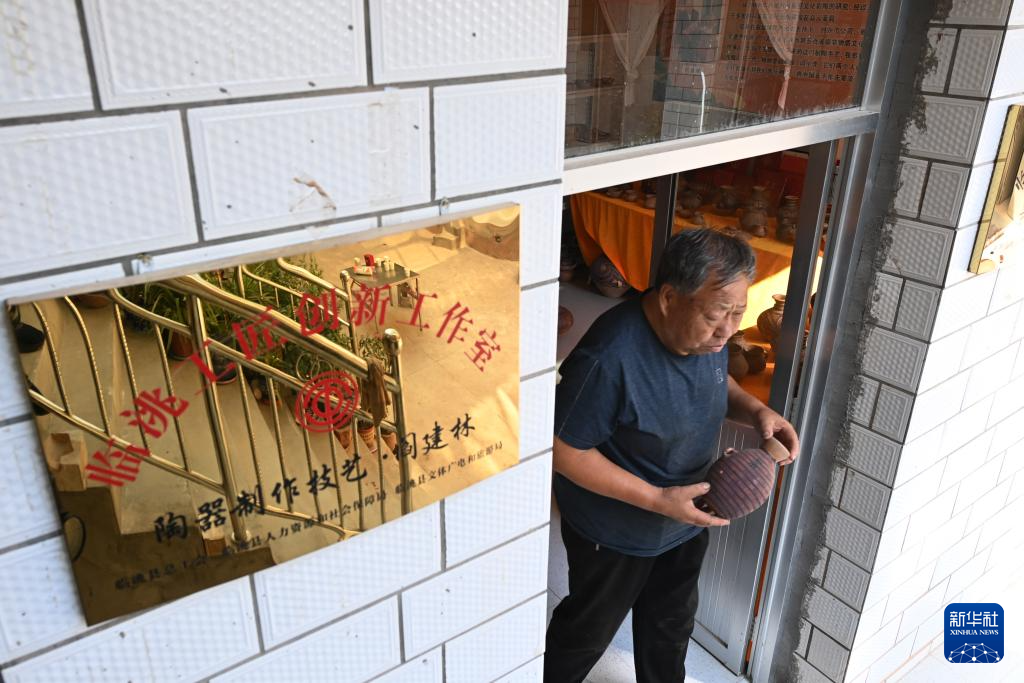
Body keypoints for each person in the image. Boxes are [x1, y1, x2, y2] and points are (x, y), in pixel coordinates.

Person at [545, 228, 800, 683]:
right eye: (717, 313)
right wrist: (657, 499)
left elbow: (715, 379)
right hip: (615, 531)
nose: (727, 329)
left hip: (685, 517)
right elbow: (563, 450)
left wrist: (754, 409)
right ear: (668, 298)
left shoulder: (702, 335)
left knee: (670, 628)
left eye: (738, 313)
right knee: (587, 632)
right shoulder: (610, 357)